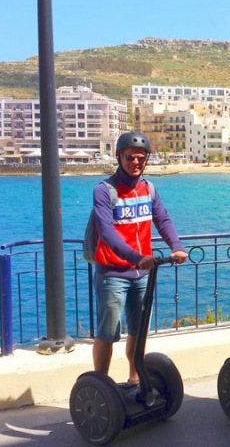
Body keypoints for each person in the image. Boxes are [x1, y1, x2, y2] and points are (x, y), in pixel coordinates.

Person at [91, 131, 189, 387]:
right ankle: (100, 387)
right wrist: (135, 257)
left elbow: (163, 219)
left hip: (142, 273)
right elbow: (107, 232)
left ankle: (135, 379)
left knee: (139, 329)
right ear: (119, 157)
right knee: (108, 332)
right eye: (130, 158)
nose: (136, 163)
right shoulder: (105, 191)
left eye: (142, 159)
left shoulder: (148, 189)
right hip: (113, 273)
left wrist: (176, 246)